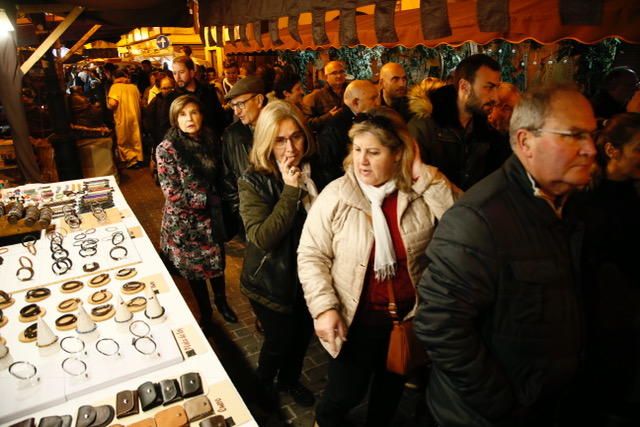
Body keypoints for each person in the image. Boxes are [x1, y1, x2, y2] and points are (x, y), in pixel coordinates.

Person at [414, 85, 598, 427]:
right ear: (526, 142)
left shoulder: (576, 204)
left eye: (591, 134)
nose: (590, 149)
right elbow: (439, 324)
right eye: (574, 136)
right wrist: (503, 403)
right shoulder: (478, 219)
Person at [298, 107, 460, 427]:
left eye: (373, 152)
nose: (362, 161)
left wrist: (423, 175)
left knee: (389, 393)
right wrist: (324, 308)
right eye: (357, 150)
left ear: (398, 153)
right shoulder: (337, 195)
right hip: (355, 320)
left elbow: (465, 225)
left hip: (404, 321)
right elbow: (311, 254)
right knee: (343, 395)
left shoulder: (419, 193)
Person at [238, 100, 321, 407]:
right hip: (271, 281)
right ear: (266, 142)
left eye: (296, 136)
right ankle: (261, 388)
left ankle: (288, 381)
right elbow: (263, 237)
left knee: (301, 339)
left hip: (308, 278)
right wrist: (290, 190)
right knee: (277, 342)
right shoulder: (253, 180)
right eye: (280, 140)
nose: (291, 148)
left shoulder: (316, 169)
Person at [579, 112, 640, 426]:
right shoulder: (585, 196)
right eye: (638, 149)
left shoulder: (633, 190)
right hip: (599, 309)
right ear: (613, 150)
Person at [156, 95, 238, 326]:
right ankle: (206, 312)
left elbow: (223, 174)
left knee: (216, 264)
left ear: (201, 115)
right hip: (185, 225)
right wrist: (208, 199)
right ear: (175, 119)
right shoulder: (168, 148)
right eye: (182, 114)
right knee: (194, 270)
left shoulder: (212, 139)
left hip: (212, 219)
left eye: (194, 112)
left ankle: (221, 303)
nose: (189, 118)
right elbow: (171, 192)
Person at [408, 54, 503, 190]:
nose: (496, 98)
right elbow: (411, 188)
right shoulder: (423, 129)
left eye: (497, 88)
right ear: (464, 87)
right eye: (488, 87)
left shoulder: (487, 132)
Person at [220, 76, 267, 240]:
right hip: (249, 214)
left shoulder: (279, 128)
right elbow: (228, 177)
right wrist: (240, 211)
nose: (236, 111)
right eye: (233, 106)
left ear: (259, 100)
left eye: (240, 104)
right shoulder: (232, 135)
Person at [315, 80, 380, 188]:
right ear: (356, 102)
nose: (377, 103)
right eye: (373, 98)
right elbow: (329, 169)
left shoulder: (367, 118)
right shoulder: (334, 127)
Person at [172, 56, 226, 135]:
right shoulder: (173, 97)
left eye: (181, 72)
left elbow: (219, 117)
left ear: (192, 72)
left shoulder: (208, 91)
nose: (177, 77)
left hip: (211, 140)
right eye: (174, 73)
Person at [107, 69, 144, 169]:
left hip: (123, 117)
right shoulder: (134, 87)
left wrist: (108, 105)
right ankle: (138, 158)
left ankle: (131, 160)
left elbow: (112, 103)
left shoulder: (115, 87)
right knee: (135, 138)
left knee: (124, 140)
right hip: (135, 116)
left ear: (115, 77)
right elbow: (141, 102)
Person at [303, 60, 348, 130]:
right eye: (334, 73)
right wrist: (328, 116)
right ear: (326, 77)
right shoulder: (316, 96)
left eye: (341, 72)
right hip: (329, 138)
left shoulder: (351, 91)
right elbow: (308, 123)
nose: (339, 76)